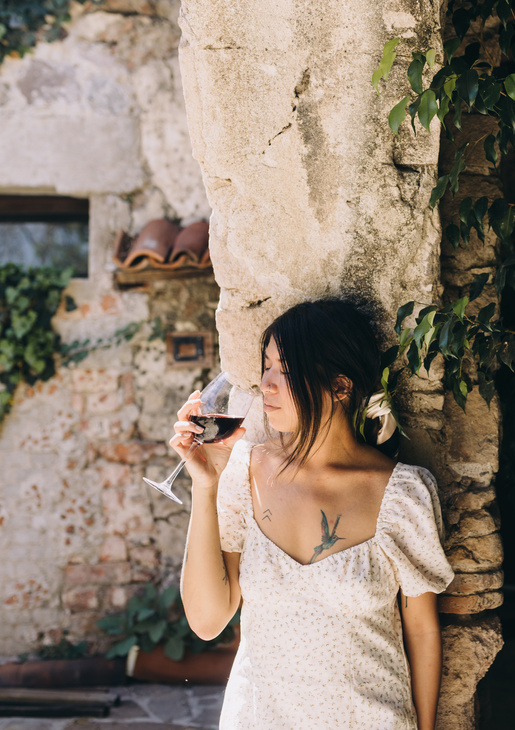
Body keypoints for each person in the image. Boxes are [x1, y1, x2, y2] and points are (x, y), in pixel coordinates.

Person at [171, 298, 454, 730]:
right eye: (265, 366)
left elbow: (421, 631)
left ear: (341, 387)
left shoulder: (403, 494)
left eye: (283, 370)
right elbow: (208, 622)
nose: (265, 384)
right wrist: (205, 485)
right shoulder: (242, 473)